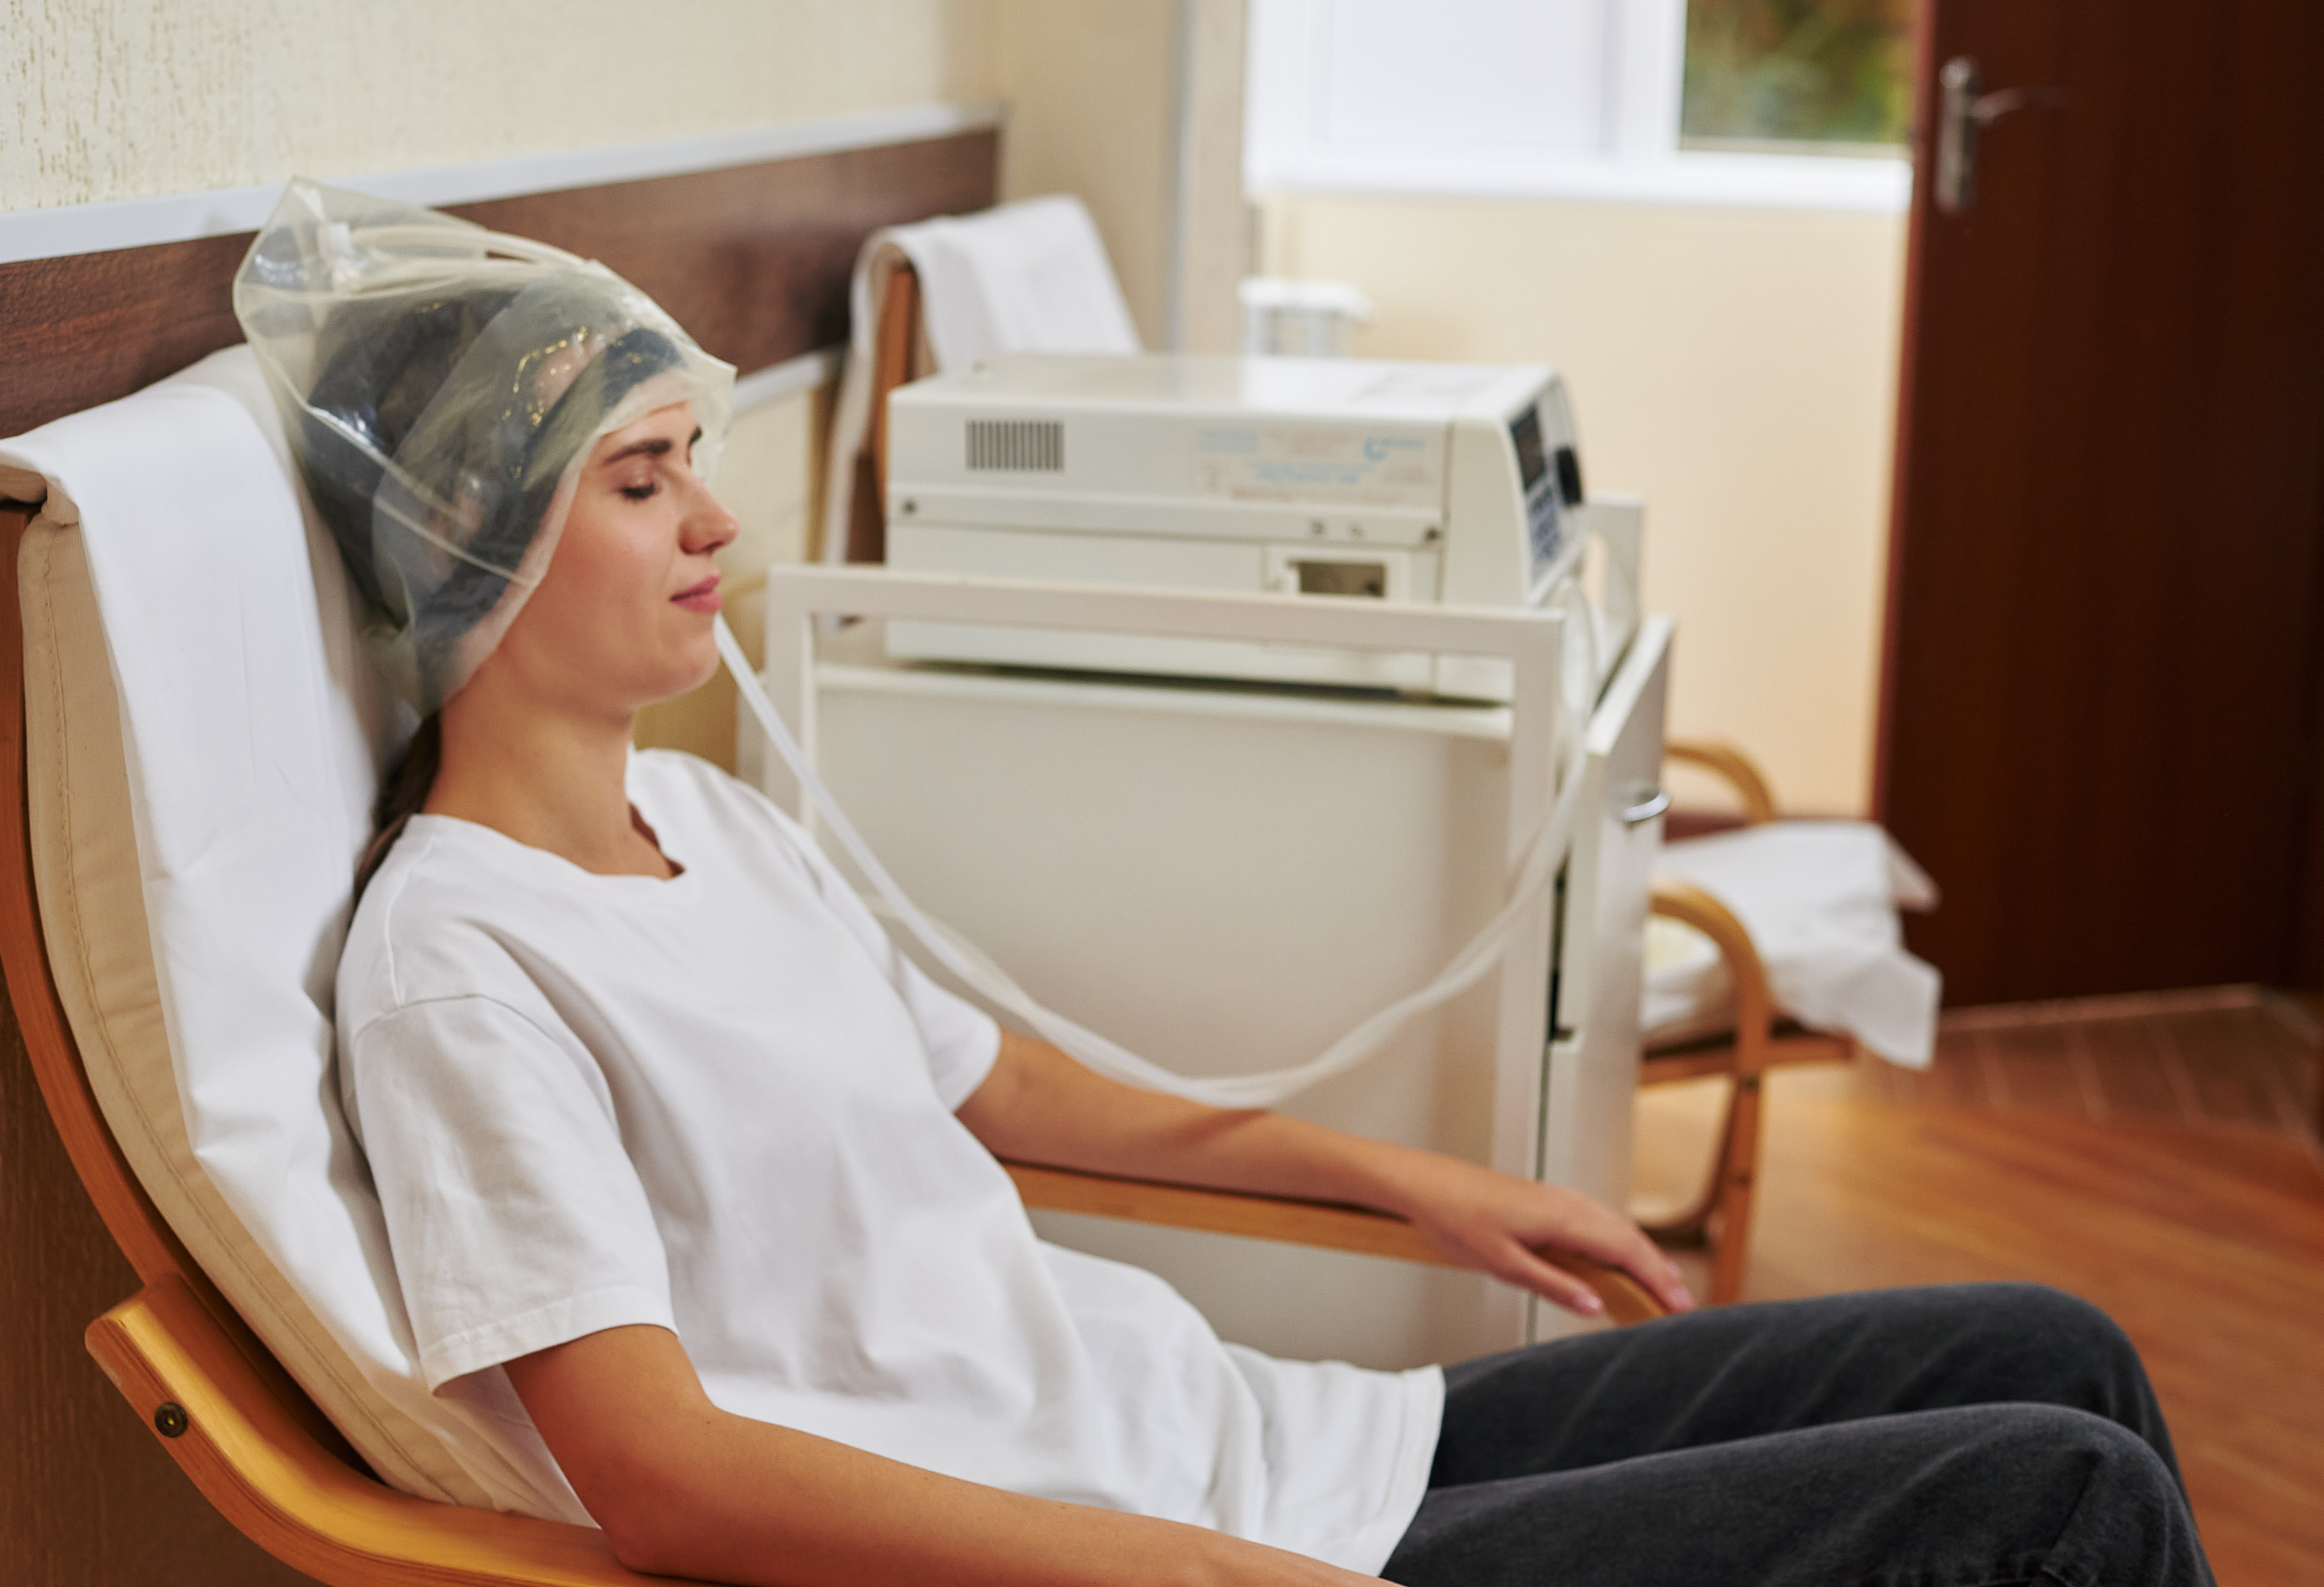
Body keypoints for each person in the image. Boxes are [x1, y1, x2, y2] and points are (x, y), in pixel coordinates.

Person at [234, 185, 2213, 1587]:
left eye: (695, 459)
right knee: (2065, 1504)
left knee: (2056, 1351)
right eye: (643, 479)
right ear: (470, 541)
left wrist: (1409, 1179)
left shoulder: (712, 821)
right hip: (1186, 1552)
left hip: (1272, 1445)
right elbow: (658, 1473)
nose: (718, 523)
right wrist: (1184, 1569)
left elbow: (996, 1083)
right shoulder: (463, 966)